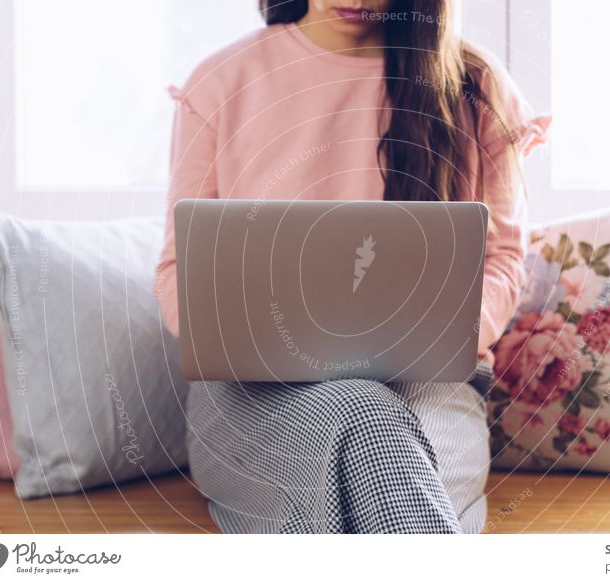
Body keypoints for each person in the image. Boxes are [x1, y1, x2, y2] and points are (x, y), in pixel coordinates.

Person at [155, 0, 551, 533]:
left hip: (425, 387)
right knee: (366, 418)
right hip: (251, 396)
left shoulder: (473, 85)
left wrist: (427, 340)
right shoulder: (222, 82)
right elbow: (178, 271)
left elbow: (502, 260)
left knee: (373, 454)